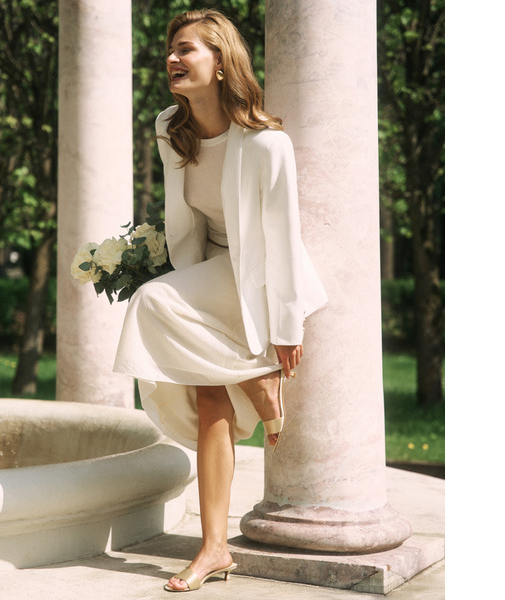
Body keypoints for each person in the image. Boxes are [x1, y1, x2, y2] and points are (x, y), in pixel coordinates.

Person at [113, 8, 327, 592]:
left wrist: (285, 328)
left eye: (186, 49)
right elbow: (186, 220)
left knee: (151, 303)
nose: (172, 59)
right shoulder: (170, 128)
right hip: (208, 270)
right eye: (170, 49)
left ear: (222, 61)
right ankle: (215, 548)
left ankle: (258, 371)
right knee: (210, 400)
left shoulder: (267, 144)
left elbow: (282, 239)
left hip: (257, 278)